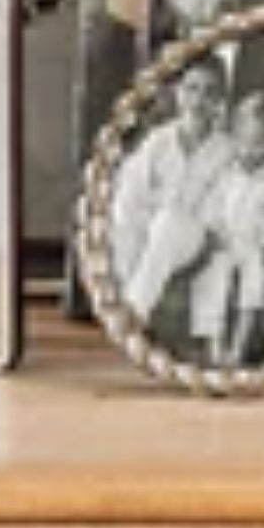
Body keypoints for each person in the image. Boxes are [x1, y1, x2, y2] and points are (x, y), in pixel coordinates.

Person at [107, 51, 237, 342]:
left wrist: (174, 216)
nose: (198, 100)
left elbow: (219, 209)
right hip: (152, 233)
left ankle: (134, 314)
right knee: (125, 224)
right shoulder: (159, 141)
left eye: (209, 92)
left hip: (192, 236)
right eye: (191, 89)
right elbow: (132, 192)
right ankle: (128, 301)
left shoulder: (228, 151)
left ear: (220, 99)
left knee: (169, 221)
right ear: (177, 92)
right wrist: (138, 219)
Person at [196, 82, 264, 370]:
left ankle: (239, 345)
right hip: (225, 239)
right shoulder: (226, 173)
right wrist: (213, 230)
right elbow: (210, 206)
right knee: (214, 275)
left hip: (255, 243)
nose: (251, 151)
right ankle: (214, 344)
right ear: (235, 139)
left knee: (254, 278)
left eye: (261, 144)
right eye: (246, 142)